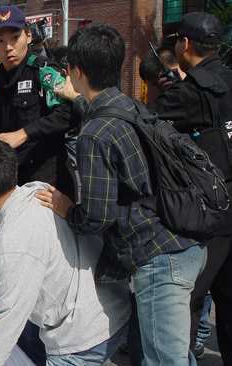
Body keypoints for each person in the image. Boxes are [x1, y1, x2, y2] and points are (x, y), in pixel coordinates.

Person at [36, 22, 205, 366]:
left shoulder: (95, 134)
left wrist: (67, 208)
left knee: (164, 360)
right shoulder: (128, 106)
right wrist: (75, 97)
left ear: (76, 71)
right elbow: (96, 110)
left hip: (160, 259)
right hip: (182, 239)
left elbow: (96, 218)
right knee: (163, 352)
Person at [0, 135, 131, 366]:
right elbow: (30, 269)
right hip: (116, 308)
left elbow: (8, 322)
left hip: (83, 338)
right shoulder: (43, 192)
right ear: (14, 170)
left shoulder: (12, 242)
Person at [146, 12, 232, 364]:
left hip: (211, 212)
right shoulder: (224, 79)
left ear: (186, 44)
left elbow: (146, 121)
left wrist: (173, 91)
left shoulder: (189, 92)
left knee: (189, 299)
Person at [0, 6, 79, 200]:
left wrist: (24, 134)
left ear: (28, 36)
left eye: (14, 37)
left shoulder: (43, 71)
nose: (8, 46)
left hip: (48, 179)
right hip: (11, 178)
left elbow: (69, 113)